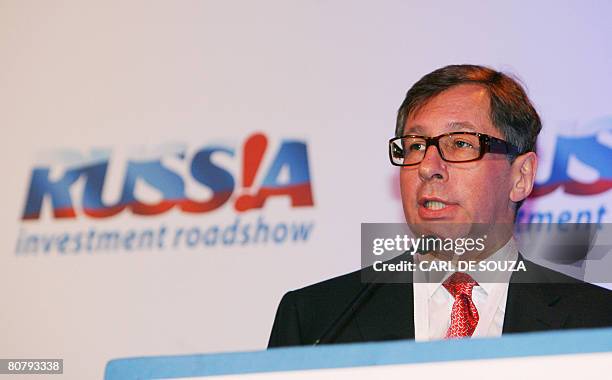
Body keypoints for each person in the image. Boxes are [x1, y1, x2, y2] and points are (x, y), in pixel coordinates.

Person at [268, 64, 612, 347]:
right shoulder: (318, 321)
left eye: (461, 143)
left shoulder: (597, 324)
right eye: (415, 146)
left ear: (520, 176)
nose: (428, 167)